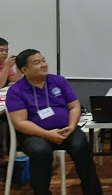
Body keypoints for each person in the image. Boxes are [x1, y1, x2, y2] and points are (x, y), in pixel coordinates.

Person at [6, 49, 102, 195]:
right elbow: (20, 123)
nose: (44, 65)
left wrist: (71, 126)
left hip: (66, 129)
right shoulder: (16, 91)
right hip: (34, 135)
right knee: (41, 151)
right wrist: (47, 134)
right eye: (37, 63)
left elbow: (74, 106)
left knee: (80, 145)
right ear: (25, 70)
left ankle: (93, 192)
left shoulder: (58, 81)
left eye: (43, 60)